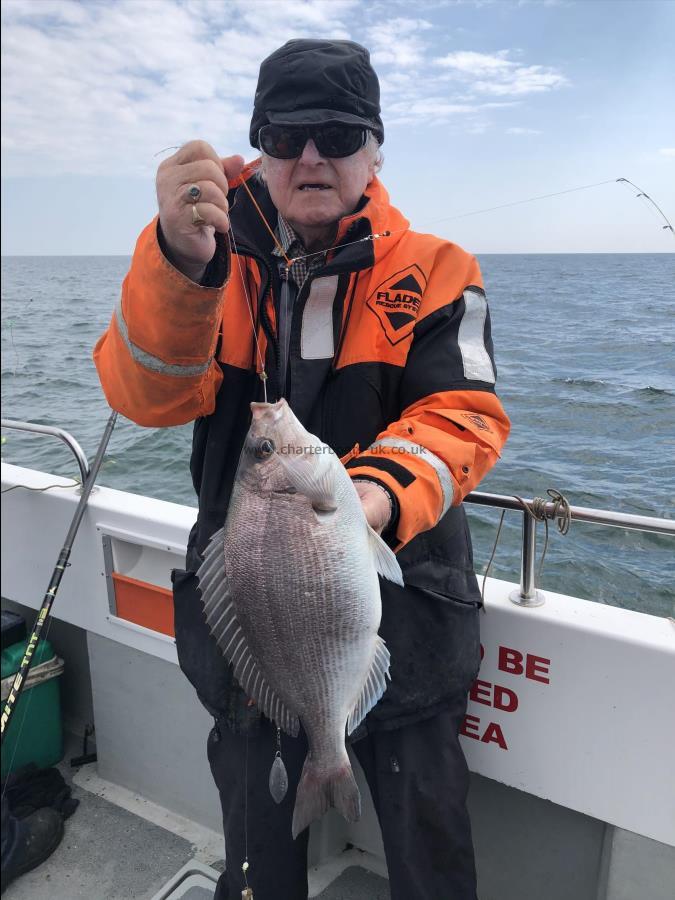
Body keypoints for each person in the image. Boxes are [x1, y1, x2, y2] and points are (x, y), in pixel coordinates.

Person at [94, 38, 510, 900]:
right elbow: (146, 397)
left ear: (374, 147)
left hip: (412, 599)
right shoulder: (204, 255)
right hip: (253, 606)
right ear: (257, 144)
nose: (310, 156)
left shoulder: (436, 270)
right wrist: (180, 262)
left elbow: (461, 415)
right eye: (285, 137)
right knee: (254, 847)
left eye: (337, 132)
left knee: (429, 848)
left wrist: (377, 496)